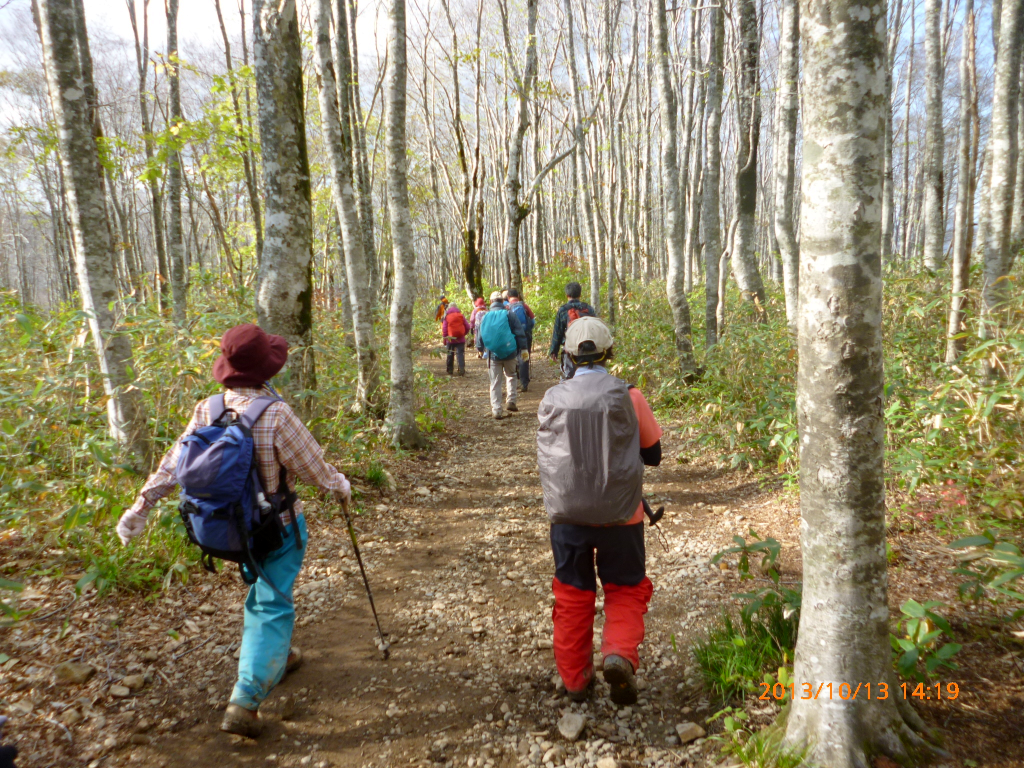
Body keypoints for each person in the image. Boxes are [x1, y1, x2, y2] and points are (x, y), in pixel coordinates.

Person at [114, 324, 352, 738]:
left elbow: (173, 464)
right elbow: (314, 468)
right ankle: (246, 697)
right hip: (274, 527)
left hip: (225, 530)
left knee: (266, 591)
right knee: (271, 603)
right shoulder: (276, 413)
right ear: (266, 369)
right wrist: (341, 485)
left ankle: (278, 656)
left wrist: (141, 507)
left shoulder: (207, 409)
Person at [536, 317, 662, 706]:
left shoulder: (552, 397)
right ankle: (619, 654)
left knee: (572, 594)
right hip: (622, 515)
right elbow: (653, 454)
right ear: (609, 353)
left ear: (569, 355)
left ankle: (575, 680)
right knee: (625, 586)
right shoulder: (630, 395)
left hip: (568, 514)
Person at [476, 291, 528, 419]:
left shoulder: (485, 317)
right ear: (502, 301)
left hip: (493, 354)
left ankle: (497, 410)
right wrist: (524, 348)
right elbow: (519, 332)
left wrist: (480, 348)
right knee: (511, 376)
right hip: (510, 352)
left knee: (495, 382)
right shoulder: (510, 314)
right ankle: (511, 401)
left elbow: (480, 335)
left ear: (491, 302)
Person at [548, 281, 596, 380]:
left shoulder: (563, 310)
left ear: (567, 295)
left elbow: (558, 332)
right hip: (588, 348)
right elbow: (595, 328)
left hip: (569, 349)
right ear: (580, 294)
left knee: (569, 377)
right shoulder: (589, 309)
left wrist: (554, 351)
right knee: (588, 375)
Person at [507, 288, 536, 392]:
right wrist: (528, 330)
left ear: (508, 297)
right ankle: (524, 383)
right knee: (524, 357)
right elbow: (533, 321)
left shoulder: (507, 308)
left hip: (512, 337)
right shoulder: (524, 306)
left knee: (513, 358)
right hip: (525, 336)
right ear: (518, 296)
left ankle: (514, 381)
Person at [442, 302, 468, 376]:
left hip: (450, 339)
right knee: (460, 354)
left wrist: (445, 338)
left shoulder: (447, 316)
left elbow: (444, 329)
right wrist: (463, 333)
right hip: (460, 339)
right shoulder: (461, 315)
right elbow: (467, 326)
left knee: (450, 354)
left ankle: (450, 370)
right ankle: (461, 369)